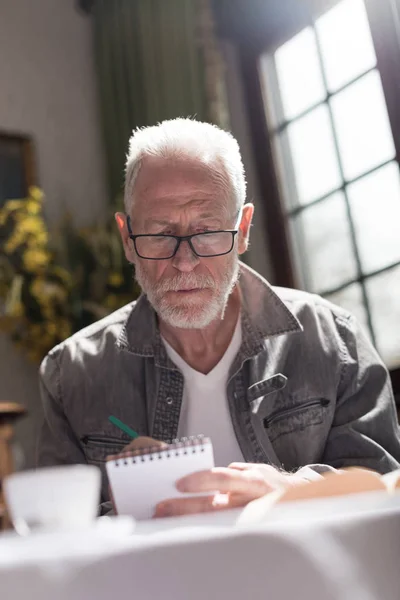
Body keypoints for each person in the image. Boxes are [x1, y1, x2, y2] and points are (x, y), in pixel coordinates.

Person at [37, 118, 400, 517]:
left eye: (207, 232)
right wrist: (122, 515)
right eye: (160, 234)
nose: (185, 262)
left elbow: (385, 494)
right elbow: (56, 539)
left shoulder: (334, 340)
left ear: (242, 229)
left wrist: (292, 488)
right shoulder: (70, 375)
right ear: (127, 239)